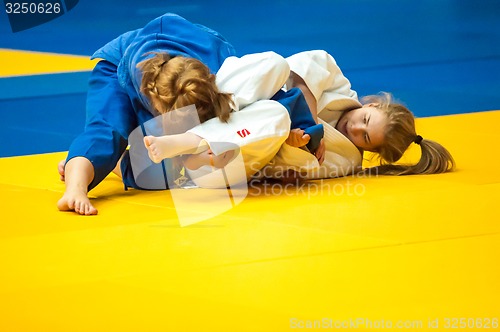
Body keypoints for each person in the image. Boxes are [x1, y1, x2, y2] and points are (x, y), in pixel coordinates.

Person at [57, 13, 237, 215]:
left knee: (229, 131)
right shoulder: (139, 81)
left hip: (185, 78)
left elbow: (267, 96)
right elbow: (109, 130)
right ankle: (77, 185)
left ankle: (98, 164)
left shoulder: (226, 70)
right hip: (117, 69)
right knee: (112, 139)